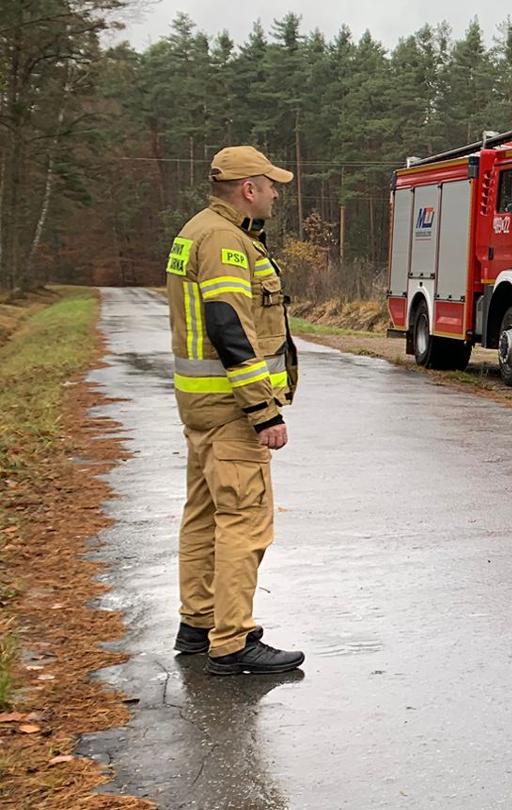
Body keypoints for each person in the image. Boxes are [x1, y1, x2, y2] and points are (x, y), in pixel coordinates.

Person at [166, 145, 304, 674]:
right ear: (248, 188)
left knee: (203, 515)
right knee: (245, 521)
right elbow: (229, 329)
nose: (274, 193)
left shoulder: (196, 229)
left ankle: (197, 623)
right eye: (270, 185)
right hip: (230, 409)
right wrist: (264, 412)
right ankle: (232, 640)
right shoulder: (226, 240)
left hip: (200, 404)